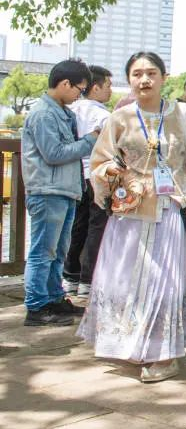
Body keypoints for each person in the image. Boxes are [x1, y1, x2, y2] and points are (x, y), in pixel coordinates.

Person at [77, 52, 186, 382]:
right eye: (137, 73)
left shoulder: (185, 115)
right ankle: (129, 343)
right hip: (129, 209)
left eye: (151, 73)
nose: (144, 79)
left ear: (164, 77)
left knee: (164, 281)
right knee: (125, 280)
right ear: (129, 79)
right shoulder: (120, 117)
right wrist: (111, 171)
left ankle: (165, 354)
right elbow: (99, 162)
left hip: (169, 208)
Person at [21, 60, 99, 327]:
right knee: (43, 251)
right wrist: (90, 140)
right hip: (47, 190)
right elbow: (53, 154)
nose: (81, 94)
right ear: (65, 84)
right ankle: (36, 307)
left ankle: (54, 298)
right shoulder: (43, 114)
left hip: (64, 191)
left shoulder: (62, 112)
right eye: (80, 88)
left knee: (57, 251)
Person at [61, 65, 113, 298]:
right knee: (97, 228)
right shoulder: (104, 116)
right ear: (95, 87)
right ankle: (88, 281)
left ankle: (69, 276)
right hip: (97, 177)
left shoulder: (69, 110)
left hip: (73, 177)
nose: (110, 91)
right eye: (108, 86)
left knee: (76, 227)